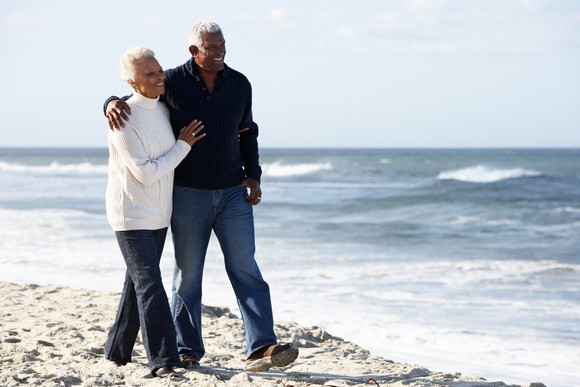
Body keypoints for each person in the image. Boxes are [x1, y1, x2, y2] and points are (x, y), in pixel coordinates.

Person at [105, 21, 298, 372]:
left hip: (232, 194)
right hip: (188, 194)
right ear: (194, 51)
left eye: (223, 44)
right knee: (188, 274)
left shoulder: (239, 84)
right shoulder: (172, 82)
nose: (220, 52)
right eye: (212, 47)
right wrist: (110, 101)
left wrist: (253, 175)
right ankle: (186, 348)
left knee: (245, 267)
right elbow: (139, 97)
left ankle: (261, 346)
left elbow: (248, 132)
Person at [104, 46, 206, 378]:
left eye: (159, 69)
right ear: (133, 81)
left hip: (158, 214)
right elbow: (145, 172)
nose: (160, 76)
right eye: (150, 73)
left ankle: (117, 350)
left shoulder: (163, 109)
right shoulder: (122, 118)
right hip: (130, 213)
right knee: (150, 282)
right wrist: (183, 146)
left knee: (137, 282)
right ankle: (163, 359)